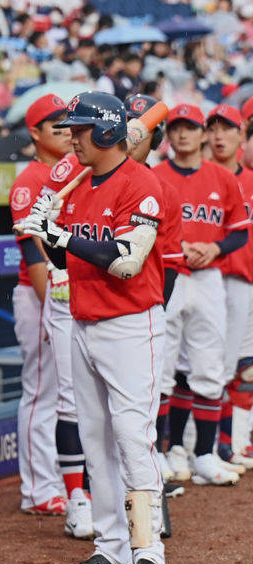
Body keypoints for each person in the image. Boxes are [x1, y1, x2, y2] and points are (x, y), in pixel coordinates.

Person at [19, 91, 168, 564]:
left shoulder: (141, 184)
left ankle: (148, 547)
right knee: (95, 438)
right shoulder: (78, 182)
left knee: (130, 433)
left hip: (131, 323)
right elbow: (67, 262)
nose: (72, 139)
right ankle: (111, 545)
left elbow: (126, 261)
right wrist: (45, 231)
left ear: (107, 132)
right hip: (83, 319)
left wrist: (57, 235)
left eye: (81, 130)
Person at [152, 104, 250, 486]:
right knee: (162, 369)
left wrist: (216, 248)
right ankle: (160, 453)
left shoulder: (222, 178)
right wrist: (180, 244)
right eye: (176, 128)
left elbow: (239, 231)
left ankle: (205, 455)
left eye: (190, 128)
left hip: (209, 276)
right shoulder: (157, 176)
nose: (182, 135)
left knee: (208, 368)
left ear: (203, 133)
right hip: (169, 275)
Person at [9, 94, 91, 534]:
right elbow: (34, 251)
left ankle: (55, 480)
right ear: (35, 134)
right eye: (54, 125)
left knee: (59, 392)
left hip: (62, 295)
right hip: (37, 292)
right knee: (41, 393)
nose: (63, 130)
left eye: (67, 123)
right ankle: (38, 489)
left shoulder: (74, 172)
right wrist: (49, 309)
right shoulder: (31, 179)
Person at [124, 93, 185, 503]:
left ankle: (146, 479)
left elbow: (173, 262)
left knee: (142, 400)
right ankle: (86, 489)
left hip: (141, 309)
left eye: (140, 128)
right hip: (92, 310)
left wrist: (154, 310)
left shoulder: (163, 189)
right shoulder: (88, 177)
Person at [204, 104, 253, 470]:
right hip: (209, 280)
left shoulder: (249, 179)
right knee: (205, 368)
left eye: (227, 129)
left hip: (244, 282)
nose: (219, 136)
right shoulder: (199, 176)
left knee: (243, 370)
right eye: (214, 129)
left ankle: (233, 442)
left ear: (241, 135)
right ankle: (199, 446)